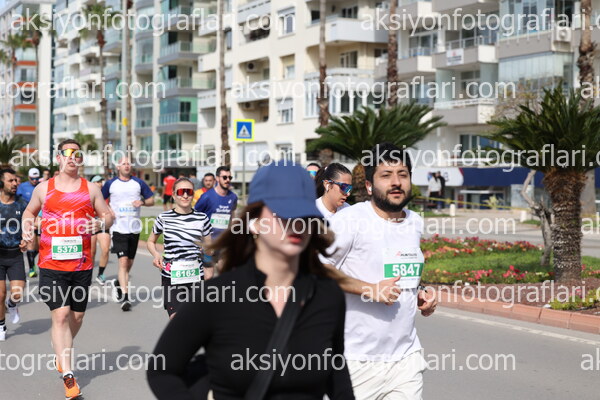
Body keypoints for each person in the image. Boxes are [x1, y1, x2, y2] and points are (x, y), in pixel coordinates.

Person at [147, 162, 355, 399]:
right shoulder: (218, 295)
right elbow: (162, 370)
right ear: (255, 220)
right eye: (283, 213)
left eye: (304, 214)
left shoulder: (328, 296)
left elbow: (338, 378)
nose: (296, 223)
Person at [321, 143, 437, 400]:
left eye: (403, 174)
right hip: (356, 361)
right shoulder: (349, 220)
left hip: (405, 359)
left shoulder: (414, 222)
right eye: (386, 175)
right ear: (370, 185)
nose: (396, 182)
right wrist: (369, 289)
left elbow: (400, 271)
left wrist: (421, 292)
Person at [21, 139, 113, 400]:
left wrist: (100, 225)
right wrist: (27, 227)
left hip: (81, 264)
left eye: (77, 153)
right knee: (60, 316)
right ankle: (68, 375)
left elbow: (108, 215)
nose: (73, 157)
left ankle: (61, 350)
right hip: (51, 264)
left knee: (77, 317)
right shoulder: (44, 188)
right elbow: (29, 212)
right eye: (68, 153)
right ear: (58, 158)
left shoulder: (91, 188)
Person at [147, 178, 214, 319]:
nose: (185, 195)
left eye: (189, 192)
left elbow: (209, 248)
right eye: (181, 192)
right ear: (173, 194)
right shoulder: (164, 218)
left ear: (193, 194)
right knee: (176, 319)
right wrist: (156, 255)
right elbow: (151, 242)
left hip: (195, 276)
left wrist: (209, 269)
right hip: (172, 278)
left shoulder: (202, 218)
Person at [102, 157, 154, 311]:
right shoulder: (111, 184)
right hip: (118, 228)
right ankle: (125, 297)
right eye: (123, 163)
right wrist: (109, 210)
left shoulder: (138, 183)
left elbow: (151, 200)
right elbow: (99, 200)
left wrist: (142, 202)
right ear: (118, 167)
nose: (126, 165)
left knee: (129, 262)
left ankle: (119, 282)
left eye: (128, 163)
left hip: (134, 228)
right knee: (123, 262)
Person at [0, 168, 28, 341]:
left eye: (16, 180)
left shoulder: (22, 204)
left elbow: (29, 224)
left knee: (17, 293)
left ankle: (12, 305)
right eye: (10, 180)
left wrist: (26, 238)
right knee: (0, 294)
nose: (15, 183)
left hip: (15, 255)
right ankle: (1, 325)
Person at [194, 166, 237, 242]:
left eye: (230, 177)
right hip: (208, 242)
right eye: (224, 177)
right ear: (217, 178)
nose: (227, 180)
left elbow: (232, 216)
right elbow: (195, 217)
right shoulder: (206, 197)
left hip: (225, 241)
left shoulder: (233, 197)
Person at [17, 167, 41, 278]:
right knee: (31, 242)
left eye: (36, 178)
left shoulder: (42, 186)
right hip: (28, 218)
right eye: (32, 178)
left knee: (40, 245)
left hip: (40, 218)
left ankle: (32, 259)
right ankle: (32, 268)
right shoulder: (22, 187)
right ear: (28, 177)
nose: (35, 180)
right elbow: (16, 200)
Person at [90, 176, 111, 285]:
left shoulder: (105, 195)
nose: (100, 183)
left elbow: (109, 208)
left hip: (102, 224)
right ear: (92, 183)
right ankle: (88, 274)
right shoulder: (88, 194)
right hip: (92, 225)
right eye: (97, 181)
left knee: (105, 249)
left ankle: (100, 274)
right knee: (92, 252)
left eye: (101, 181)